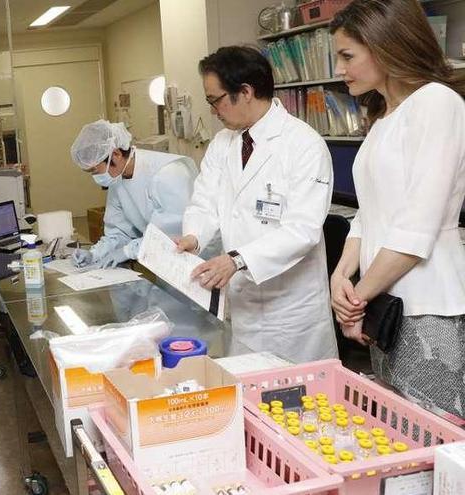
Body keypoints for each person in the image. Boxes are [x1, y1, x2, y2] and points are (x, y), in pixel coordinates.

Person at [328, 0, 465, 417]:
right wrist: (340, 275)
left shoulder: (437, 102)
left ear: (385, 46)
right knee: (395, 432)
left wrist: (357, 299)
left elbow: (415, 227)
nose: (339, 68)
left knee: (434, 438)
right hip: (386, 304)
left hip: (427, 308)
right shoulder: (383, 118)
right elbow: (369, 214)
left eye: (347, 55)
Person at [177, 46, 337, 364]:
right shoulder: (223, 143)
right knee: (250, 402)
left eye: (215, 100)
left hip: (292, 316)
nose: (213, 111)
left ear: (246, 92)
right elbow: (205, 200)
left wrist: (237, 260)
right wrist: (192, 237)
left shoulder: (304, 145)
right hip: (245, 306)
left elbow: (302, 230)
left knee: (299, 408)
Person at [69, 120, 199, 268]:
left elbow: (171, 234)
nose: (95, 177)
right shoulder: (117, 179)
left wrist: (127, 251)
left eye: (95, 170)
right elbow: (119, 231)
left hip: (197, 258)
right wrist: (95, 254)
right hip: (162, 260)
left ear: (116, 154)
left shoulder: (168, 173)